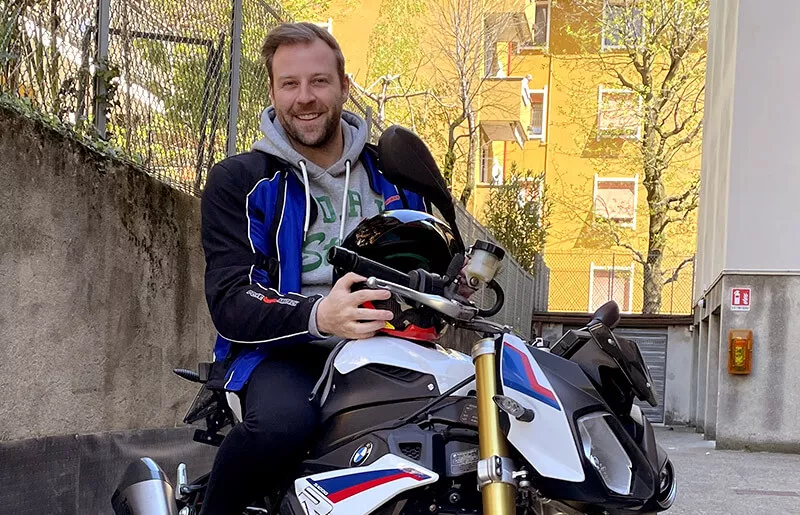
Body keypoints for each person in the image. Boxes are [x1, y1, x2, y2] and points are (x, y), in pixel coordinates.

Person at [198, 22, 430, 514]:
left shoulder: (396, 176)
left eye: (319, 81)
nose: (305, 97)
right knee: (282, 426)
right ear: (273, 92)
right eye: (290, 84)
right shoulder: (238, 180)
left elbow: (436, 259)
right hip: (284, 350)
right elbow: (230, 299)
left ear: (344, 87)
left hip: (392, 341)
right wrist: (320, 315)